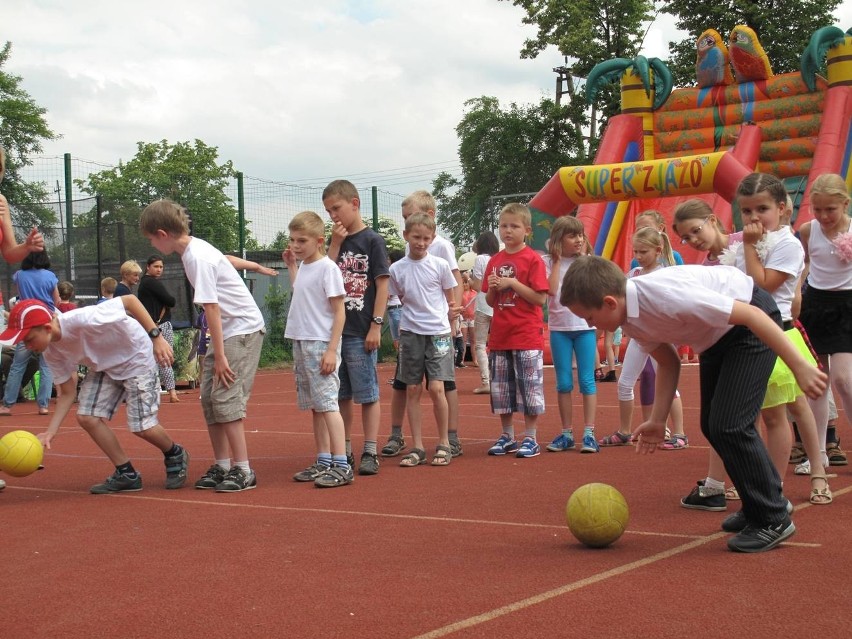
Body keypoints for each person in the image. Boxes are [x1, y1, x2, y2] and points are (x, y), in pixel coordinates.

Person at [562, 255, 826, 553]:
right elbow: (669, 362)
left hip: (751, 321)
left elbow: (753, 316)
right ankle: (758, 505)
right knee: (712, 425)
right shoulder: (630, 318)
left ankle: (774, 517)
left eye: (589, 318)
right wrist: (659, 420)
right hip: (716, 338)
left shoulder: (666, 298)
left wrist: (798, 365)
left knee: (730, 424)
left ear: (610, 302)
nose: (589, 325)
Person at [674, 193, 828, 511]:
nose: (692, 240)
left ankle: (812, 474)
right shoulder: (707, 264)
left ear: (712, 221)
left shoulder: (747, 242)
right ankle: (726, 484)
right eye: (685, 237)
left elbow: (766, 284)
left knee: (791, 409)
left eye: (695, 231)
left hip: (776, 329)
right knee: (734, 414)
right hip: (737, 340)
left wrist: (796, 290)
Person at [1, 297, 189, 493]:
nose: (28, 346)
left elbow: (130, 301)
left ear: (47, 328)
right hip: (104, 366)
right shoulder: (51, 352)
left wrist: (156, 337)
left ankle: (174, 453)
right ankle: (126, 474)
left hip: (136, 357)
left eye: (29, 339)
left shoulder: (83, 319)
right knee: (87, 417)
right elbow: (67, 392)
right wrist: (51, 432)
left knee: (143, 427)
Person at [140, 199, 266, 493]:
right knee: (209, 399)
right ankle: (223, 465)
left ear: (162, 233)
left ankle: (243, 469)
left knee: (226, 399)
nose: (152, 245)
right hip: (229, 330)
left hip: (242, 330)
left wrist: (219, 355)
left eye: (150, 239)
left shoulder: (196, 256)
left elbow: (212, 307)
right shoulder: (192, 251)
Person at [381, 190, 463, 460]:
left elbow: (450, 297)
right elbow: (396, 297)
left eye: (426, 238)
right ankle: (416, 445)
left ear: (432, 236)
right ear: (406, 236)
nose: (421, 243)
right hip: (411, 333)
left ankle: (444, 442)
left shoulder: (440, 263)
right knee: (412, 388)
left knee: (438, 387)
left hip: (438, 333)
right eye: (416, 237)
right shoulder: (397, 269)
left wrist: (453, 322)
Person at [597, 226, 687, 450]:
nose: (638, 257)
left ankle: (680, 434)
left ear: (658, 250)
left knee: (669, 384)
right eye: (635, 251)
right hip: (639, 338)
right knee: (625, 383)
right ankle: (625, 431)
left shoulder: (667, 273)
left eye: (643, 252)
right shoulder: (634, 274)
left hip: (659, 336)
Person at [324, 179, 389, 475]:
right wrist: (335, 244)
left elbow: (382, 285)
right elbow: (324, 273)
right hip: (336, 333)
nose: (332, 216)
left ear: (354, 203)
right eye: (328, 211)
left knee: (368, 393)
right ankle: (346, 448)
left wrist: (376, 325)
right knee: (341, 395)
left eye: (336, 208)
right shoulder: (335, 243)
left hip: (361, 329)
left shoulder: (372, 240)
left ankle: (371, 450)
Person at [283, 211, 351, 487]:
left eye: (301, 241)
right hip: (301, 340)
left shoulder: (327, 268)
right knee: (316, 406)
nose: (295, 246)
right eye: (292, 240)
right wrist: (291, 266)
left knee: (328, 404)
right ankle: (323, 460)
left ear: (319, 241)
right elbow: (301, 292)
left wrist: (332, 350)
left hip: (321, 343)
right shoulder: (306, 267)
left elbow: (339, 312)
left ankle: (342, 464)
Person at [797, 173, 852, 482]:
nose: (823, 216)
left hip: (847, 306)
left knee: (844, 380)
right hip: (816, 306)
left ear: (845, 204)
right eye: (817, 209)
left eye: (830, 209)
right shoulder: (808, 230)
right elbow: (805, 263)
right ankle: (816, 453)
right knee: (818, 384)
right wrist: (798, 290)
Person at [483, 203, 548, 458]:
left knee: (529, 388)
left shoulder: (533, 260)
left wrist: (512, 283)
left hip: (526, 335)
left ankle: (531, 437)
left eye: (514, 226)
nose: (507, 231)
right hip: (500, 335)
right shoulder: (495, 261)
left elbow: (540, 299)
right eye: (503, 226)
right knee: (502, 389)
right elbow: (490, 302)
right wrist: (492, 288)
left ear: (527, 230)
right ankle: (507, 435)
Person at [542, 216, 598, 453]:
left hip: (584, 328)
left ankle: (589, 433)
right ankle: (566, 433)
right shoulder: (547, 262)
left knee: (587, 380)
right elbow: (552, 291)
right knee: (564, 382)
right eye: (572, 235)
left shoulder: (588, 261)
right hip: (560, 329)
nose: (578, 239)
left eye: (580, 235)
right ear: (558, 239)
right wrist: (555, 261)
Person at [0, 250, 59, 417]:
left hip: (26, 322)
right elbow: (57, 300)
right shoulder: (50, 276)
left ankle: (7, 405)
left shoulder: (20, 275)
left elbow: (19, 296)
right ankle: (43, 405)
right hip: (45, 320)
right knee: (46, 366)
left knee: (17, 365)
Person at [137, 255, 180, 403]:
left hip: (148, 326)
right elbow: (171, 300)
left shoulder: (144, 284)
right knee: (165, 358)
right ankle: (172, 392)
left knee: (153, 360)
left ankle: (154, 391)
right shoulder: (151, 282)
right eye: (156, 266)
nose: (159, 269)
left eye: (161, 267)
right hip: (160, 325)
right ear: (148, 267)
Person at [469, 231, 500, 394]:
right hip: (498, 305)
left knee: (480, 344)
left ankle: (486, 381)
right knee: (498, 343)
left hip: (483, 304)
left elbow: (478, 286)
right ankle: (500, 379)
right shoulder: (499, 258)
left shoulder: (480, 259)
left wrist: (469, 280)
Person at [385, 248, 405, 386]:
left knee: (399, 344)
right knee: (401, 344)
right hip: (400, 309)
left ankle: (400, 376)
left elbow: (389, 294)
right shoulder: (404, 268)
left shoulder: (393, 270)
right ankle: (400, 375)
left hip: (395, 309)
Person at [457, 274, 476, 367]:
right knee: (463, 340)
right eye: (463, 283)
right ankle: (462, 360)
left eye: (466, 282)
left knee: (473, 340)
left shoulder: (475, 293)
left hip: (472, 318)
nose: (465, 284)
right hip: (463, 319)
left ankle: (475, 360)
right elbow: (458, 305)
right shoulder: (460, 294)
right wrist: (460, 309)